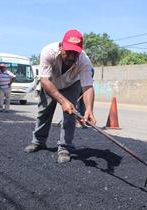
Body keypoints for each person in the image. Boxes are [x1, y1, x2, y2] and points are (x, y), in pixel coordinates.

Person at [24, 29, 96, 163]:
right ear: (60, 46)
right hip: (51, 83)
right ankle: (38, 141)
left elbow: (87, 86)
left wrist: (89, 109)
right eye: (68, 52)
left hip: (71, 83)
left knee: (70, 114)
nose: (71, 57)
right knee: (44, 111)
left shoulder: (84, 61)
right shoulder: (48, 52)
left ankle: (65, 148)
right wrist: (63, 101)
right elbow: (45, 80)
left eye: (75, 54)